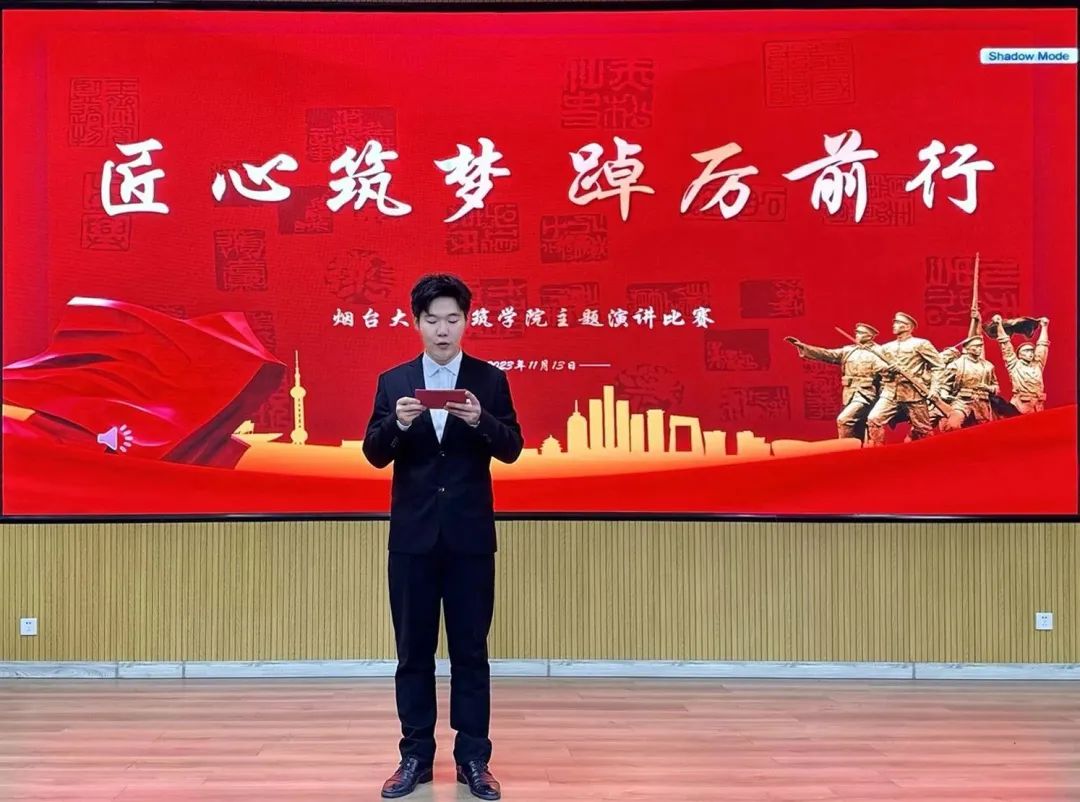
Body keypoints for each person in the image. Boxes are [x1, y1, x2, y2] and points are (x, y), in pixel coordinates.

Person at [362, 273, 523, 801]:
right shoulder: (394, 381)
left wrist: (481, 421)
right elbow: (374, 453)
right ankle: (415, 758)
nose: (443, 330)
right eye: (432, 320)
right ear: (416, 322)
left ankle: (474, 759)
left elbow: (512, 447)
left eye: (453, 319)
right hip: (413, 539)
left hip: (469, 538)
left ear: (466, 321)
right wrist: (397, 425)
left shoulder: (489, 380)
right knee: (413, 653)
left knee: (471, 652)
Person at [785, 322, 881, 441]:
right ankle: (858, 450)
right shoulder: (848, 350)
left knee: (844, 420)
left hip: (866, 394)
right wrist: (803, 346)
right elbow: (827, 354)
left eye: (860, 333)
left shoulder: (879, 351)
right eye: (856, 332)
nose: (856, 335)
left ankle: (846, 449)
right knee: (858, 426)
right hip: (850, 393)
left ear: (869, 336)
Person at [865, 311, 945, 446]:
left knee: (923, 429)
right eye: (894, 322)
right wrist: (888, 369)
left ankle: (929, 453)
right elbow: (876, 367)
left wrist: (934, 389)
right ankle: (879, 451)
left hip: (914, 392)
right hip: (891, 392)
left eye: (898, 323)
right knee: (873, 419)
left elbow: (939, 366)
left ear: (908, 327)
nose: (894, 325)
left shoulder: (921, 344)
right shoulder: (886, 347)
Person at [939, 335, 999, 432]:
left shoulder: (988, 366)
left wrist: (988, 388)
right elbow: (945, 384)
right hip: (962, 401)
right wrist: (944, 393)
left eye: (980, 346)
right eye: (975, 346)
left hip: (982, 403)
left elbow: (996, 386)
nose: (979, 349)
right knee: (953, 424)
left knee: (984, 432)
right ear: (966, 349)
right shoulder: (956, 365)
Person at [993, 314, 1050, 413]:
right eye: (1026, 351)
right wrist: (999, 325)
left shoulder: (1037, 365)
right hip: (1021, 406)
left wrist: (1044, 327)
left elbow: (1042, 346)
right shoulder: (1014, 365)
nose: (1030, 353)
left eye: (1032, 351)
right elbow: (1005, 344)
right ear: (1019, 354)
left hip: (1038, 407)